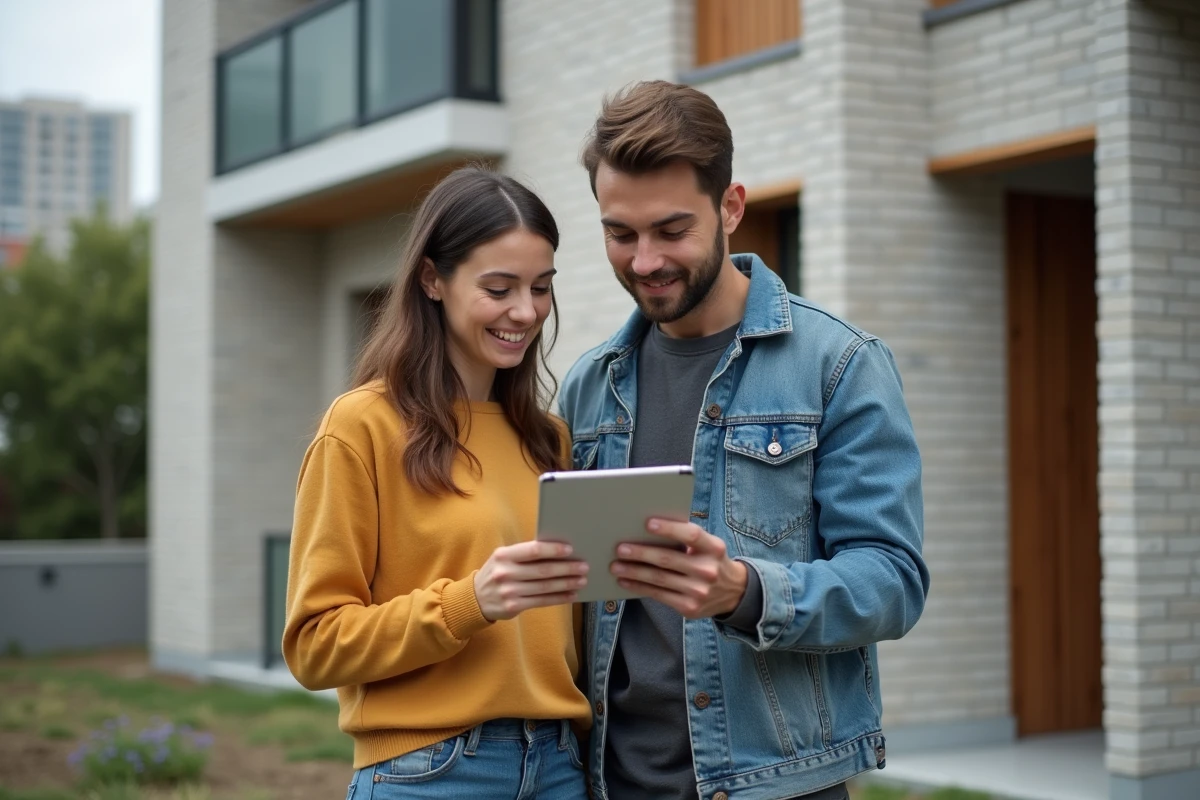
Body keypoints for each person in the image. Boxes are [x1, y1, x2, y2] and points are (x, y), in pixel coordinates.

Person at [558, 80, 931, 800]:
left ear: (731, 207)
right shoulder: (588, 385)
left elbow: (893, 581)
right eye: (620, 233)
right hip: (610, 782)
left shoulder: (838, 365)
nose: (643, 262)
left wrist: (747, 592)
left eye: (672, 231)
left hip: (777, 785)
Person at [283, 167, 592, 799]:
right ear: (433, 280)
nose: (525, 311)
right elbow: (314, 646)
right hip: (431, 771)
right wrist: (468, 601)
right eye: (499, 288)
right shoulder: (361, 427)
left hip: (560, 765)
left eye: (541, 287)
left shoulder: (549, 439)